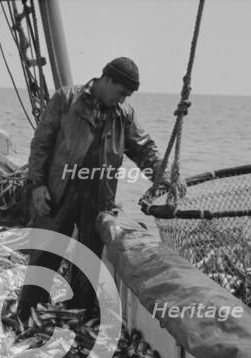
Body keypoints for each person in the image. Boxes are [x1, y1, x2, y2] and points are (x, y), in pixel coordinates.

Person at [16, 57, 165, 321]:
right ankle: (26, 315)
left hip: (97, 198)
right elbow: (41, 144)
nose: (122, 100)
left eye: (127, 96)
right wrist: (37, 185)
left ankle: (78, 318)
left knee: (87, 262)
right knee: (44, 255)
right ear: (107, 80)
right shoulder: (66, 99)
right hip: (58, 191)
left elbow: (144, 150)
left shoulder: (124, 115)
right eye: (121, 93)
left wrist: (165, 176)